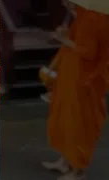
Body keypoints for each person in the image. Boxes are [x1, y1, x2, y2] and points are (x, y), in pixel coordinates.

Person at [41, 2, 109, 180]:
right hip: (70, 77)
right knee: (64, 118)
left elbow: (89, 52)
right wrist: (63, 34)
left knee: (78, 123)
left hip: (84, 82)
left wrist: (65, 40)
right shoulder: (79, 17)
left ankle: (78, 171)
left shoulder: (93, 19)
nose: (63, 3)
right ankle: (65, 161)